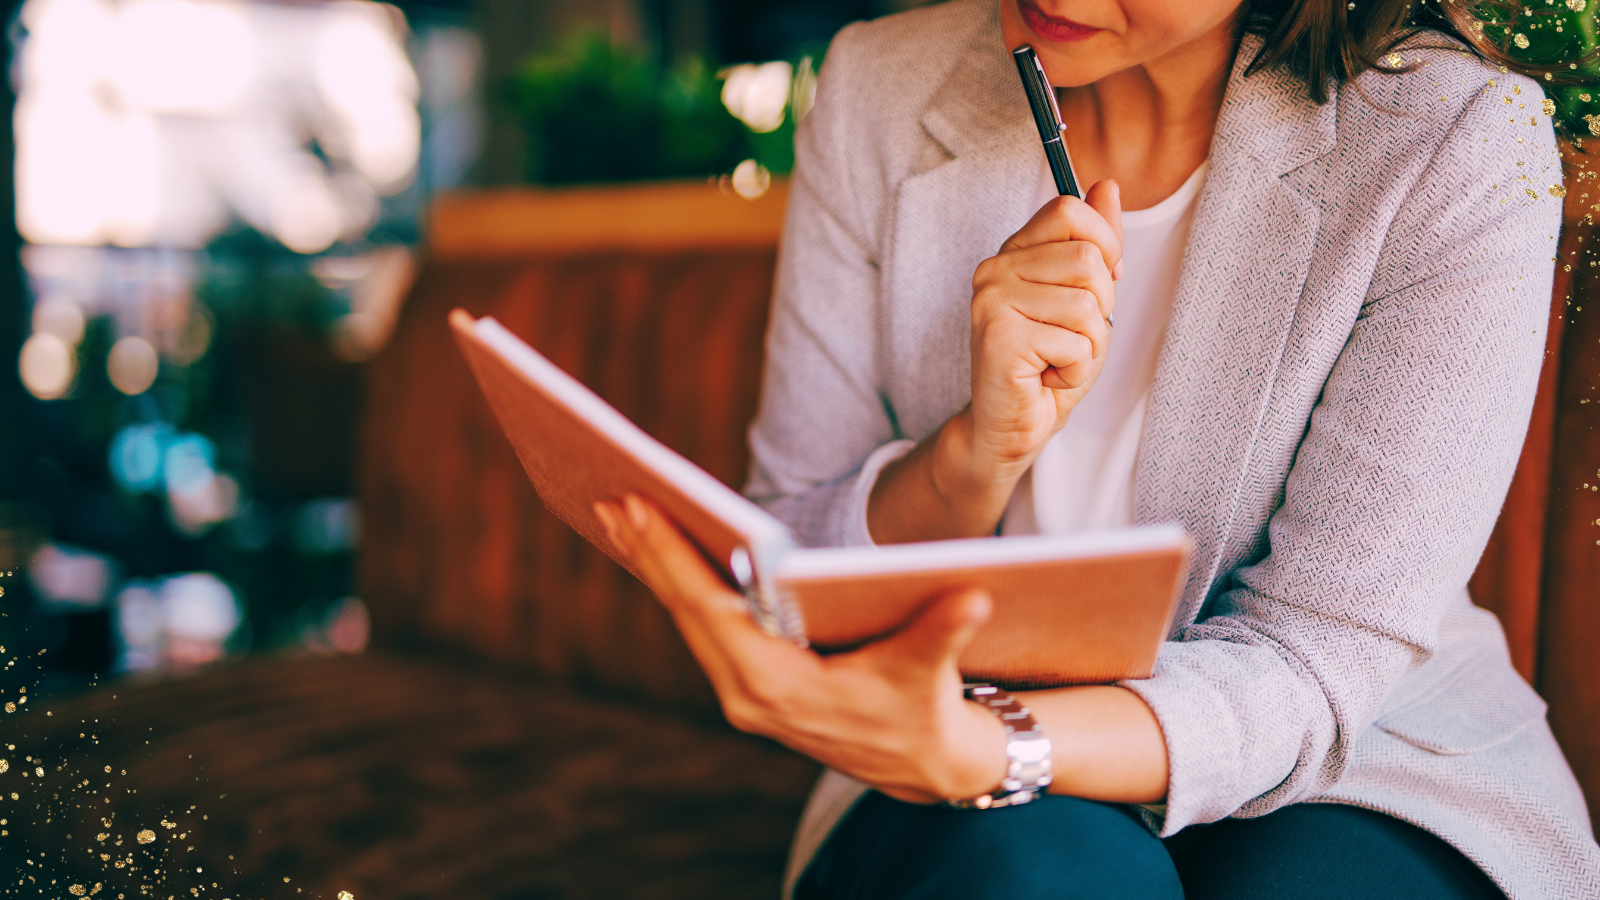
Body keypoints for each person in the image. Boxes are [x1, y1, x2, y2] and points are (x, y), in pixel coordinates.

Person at [591, 0, 1600, 897]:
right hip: (958, 735)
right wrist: (970, 457)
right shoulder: (878, 91)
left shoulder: (1451, 138)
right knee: (1036, 875)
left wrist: (988, 747)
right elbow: (794, 545)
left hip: (1364, 755)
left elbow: (1319, 657)